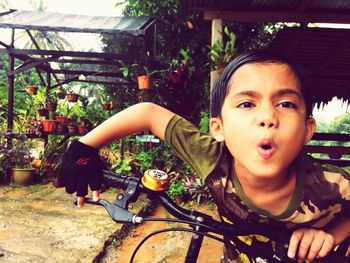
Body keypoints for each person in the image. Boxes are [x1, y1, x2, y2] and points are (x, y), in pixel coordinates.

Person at [58, 50, 349, 263]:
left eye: (285, 103)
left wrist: (331, 235)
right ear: (218, 128)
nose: (267, 117)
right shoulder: (212, 157)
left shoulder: (332, 183)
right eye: (247, 103)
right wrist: (84, 147)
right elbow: (149, 113)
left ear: (308, 129)